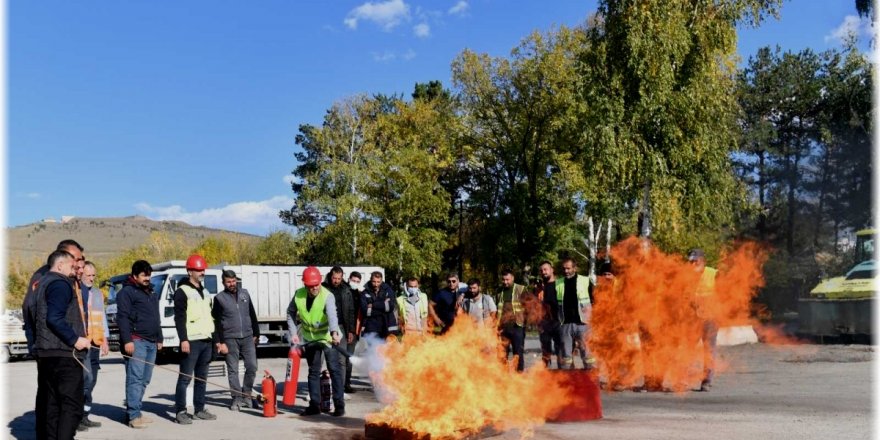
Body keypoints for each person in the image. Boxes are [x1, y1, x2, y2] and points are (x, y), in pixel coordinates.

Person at [33, 249, 92, 440]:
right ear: (60, 266)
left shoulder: (40, 284)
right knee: (71, 407)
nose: (75, 268)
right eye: (71, 265)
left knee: (51, 407)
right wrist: (76, 339)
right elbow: (54, 318)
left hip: (47, 353)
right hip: (64, 355)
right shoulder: (60, 283)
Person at [287, 266, 345, 417]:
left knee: (334, 370)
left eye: (317, 284)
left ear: (320, 282)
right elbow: (290, 312)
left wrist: (334, 332)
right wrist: (293, 333)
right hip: (310, 339)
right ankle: (314, 405)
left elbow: (332, 315)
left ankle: (339, 406)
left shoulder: (328, 296)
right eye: (311, 286)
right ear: (305, 285)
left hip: (327, 338)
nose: (315, 288)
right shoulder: (298, 295)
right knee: (313, 372)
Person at [116, 259, 162, 428]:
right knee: (135, 379)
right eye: (144, 275)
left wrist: (160, 337)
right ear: (135, 276)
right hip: (136, 341)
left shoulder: (151, 292)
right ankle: (133, 415)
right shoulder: (126, 293)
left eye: (149, 275)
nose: (147, 278)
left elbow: (156, 317)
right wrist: (127, 340)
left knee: (145, 379)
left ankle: (135, 411)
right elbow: (123, 317)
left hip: (151, 342)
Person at [173, 254, 218, 424]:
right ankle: (180, 411)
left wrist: (215, 339)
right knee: (185, 378)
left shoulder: (205, 292)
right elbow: (179, 318)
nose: (202, 272)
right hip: (191, 341)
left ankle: (199, 409)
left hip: (206, 340)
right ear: (189, 271)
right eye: (198, 270)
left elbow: (211, 317)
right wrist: (183, 339)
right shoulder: (182, 291)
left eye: (203, 269)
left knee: (202, 378)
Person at [23, 239, 84, 354]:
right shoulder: (47, 277)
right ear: (63, 256)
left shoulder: (67, 276)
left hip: (68, 342)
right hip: (56, 345)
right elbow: (30, 306)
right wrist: (36, 337)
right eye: (76, 259)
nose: (78, 264)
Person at [212, 269, 260, 411]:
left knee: (252, 366)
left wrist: (256, 332)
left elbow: (252, 313)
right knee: (233, 370)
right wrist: (220, 342)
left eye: (234, 281)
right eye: (229, 282)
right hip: (229, 338)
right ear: (223, 283)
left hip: (247, 336)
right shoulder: (219, 298)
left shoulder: (245, 293)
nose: (232, 284)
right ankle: (236, 398)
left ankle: (247, 395)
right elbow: (216, 322)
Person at [79, 261, 110, 431]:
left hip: (96, 342)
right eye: (88, 275)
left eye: (93, 276)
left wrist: (105, 339)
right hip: (83, 344)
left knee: (93, 380)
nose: (91, 278)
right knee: (86, 379)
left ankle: (85, 415)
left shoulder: (98, 294)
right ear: (82, 274)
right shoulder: (77, 293)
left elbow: (102, 317)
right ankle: (75, 416)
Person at [322, 266, 358, 394]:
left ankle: (340, 389)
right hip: (325, 328)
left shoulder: (346, 290)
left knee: (342, 359)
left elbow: (351, 311)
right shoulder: (323, 289)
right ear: (330, 276)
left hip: (342, 327)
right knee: (327, 358)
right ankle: (328, 386)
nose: (336, 281)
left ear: (342, 277)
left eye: (339, 278)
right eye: (334, 278)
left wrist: (351, 331)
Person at [689, 249, 719, 392]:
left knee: (708, 350)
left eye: (696, 261)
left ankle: (706, 382)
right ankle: (681, 380)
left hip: (710, 319)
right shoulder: (687, 276)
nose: (693, 263)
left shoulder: (714, 274)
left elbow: (726, 293)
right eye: (691, 261)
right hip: (693, 319)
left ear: (703, 261)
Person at [556, 257, 594, 370]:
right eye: (564, 269)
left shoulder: (586, 281)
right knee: (566, 357)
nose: (566, 271)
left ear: (575, 268)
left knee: (587, 355)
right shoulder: (558, 283)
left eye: (568, 268)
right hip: (565, 324)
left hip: (583, 324)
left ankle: (590, 381)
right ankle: (568, 383)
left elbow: (596, 300)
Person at [497, 269, 527, 372]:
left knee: (518, 353)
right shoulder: (499, 291)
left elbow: (529, 307)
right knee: (502, 354)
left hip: (517, 327)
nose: (505, 282)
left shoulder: (521, 289)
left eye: (507, 279)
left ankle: (519, 375)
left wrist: (524, 324)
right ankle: (504, 376)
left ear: (513, 278)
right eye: (503, 280)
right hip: (503, 328)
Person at [537, 261, 563, 368]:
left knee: (560, 352)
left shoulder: (560, 284)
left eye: (545, 269)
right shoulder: (539, 288)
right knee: (545, 354)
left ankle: (563, 375)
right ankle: (546, 378)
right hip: (544, 325)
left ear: (552, 270)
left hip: (558, 323)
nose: (543, 272)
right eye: (541, 270)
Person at [359, 272, 401, 339]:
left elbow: (390, 307)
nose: (376, 284)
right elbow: (365, 312)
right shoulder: (364, 292)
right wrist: (383, 307)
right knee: (372, 348)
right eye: (374, 282)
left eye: (378, 282)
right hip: (371, 328)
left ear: (381, 281)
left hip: (387, 326)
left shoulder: (388, 290)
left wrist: (373, 305)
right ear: (370, 280)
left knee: (387, 349)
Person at [345, 271, 364, 392]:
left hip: (355, 331)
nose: (355, 283)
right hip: (344, 330)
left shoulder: (359, 294)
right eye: (353, 280)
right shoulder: (344, 292)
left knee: (349, 358)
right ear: (349, 279)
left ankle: (346, 383)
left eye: (357, 281)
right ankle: (340, 384)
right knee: (341, 359)